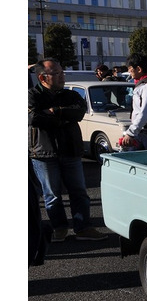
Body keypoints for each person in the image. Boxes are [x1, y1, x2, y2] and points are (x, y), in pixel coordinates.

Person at [28, 59, 108, 242]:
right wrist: (63, 117)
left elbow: (79, 112)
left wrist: (54, 111)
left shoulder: (69, 95)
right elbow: (34, 118)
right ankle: (59, 228)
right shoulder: (31, 95)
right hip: (43, 153)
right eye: (57, 73)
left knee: (79, 191)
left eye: (62, 72)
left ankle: (83, 228)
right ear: (42, 77)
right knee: (52, 195)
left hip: (71, 150)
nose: (62, 76)